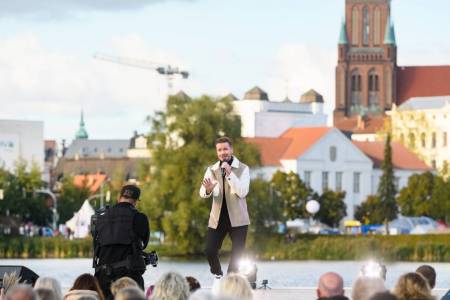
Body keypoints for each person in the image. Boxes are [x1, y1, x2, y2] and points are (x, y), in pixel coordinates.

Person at [200, 137, 250, 277]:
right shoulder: (211, 170)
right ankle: (218, 274)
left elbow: (242, 192)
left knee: (237, 255)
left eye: (225, 149)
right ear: (217, 152)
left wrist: (229, 173)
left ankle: (230, 281)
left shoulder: (243, 169)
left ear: (231, 149)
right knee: (209, 250)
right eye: (219, 150)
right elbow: (202, 193)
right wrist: (208, 190)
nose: (223, 152)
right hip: (218, 218)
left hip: (239, 219)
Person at [92, 185, 150, 300]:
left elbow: (96, 246)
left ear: (119, 198)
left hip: (102, 278)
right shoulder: (139, 218)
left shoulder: (99, 218)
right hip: (129, 280)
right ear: (135, 201)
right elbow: (144, 244)